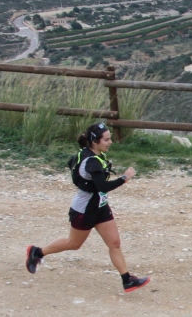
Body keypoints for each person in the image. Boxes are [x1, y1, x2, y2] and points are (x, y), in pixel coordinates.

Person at [25, 122, 150, 293]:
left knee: (114, 243)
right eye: (106, 139)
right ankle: (37, 252)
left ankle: (127, 280)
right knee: (73, 244)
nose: (110, 142)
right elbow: (103, 187)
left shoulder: (90, 154)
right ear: (94, 142)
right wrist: (124, 178)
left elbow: (72, 164)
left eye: (110, 138)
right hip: (84, 211)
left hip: (100, 206)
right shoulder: (91, 162)